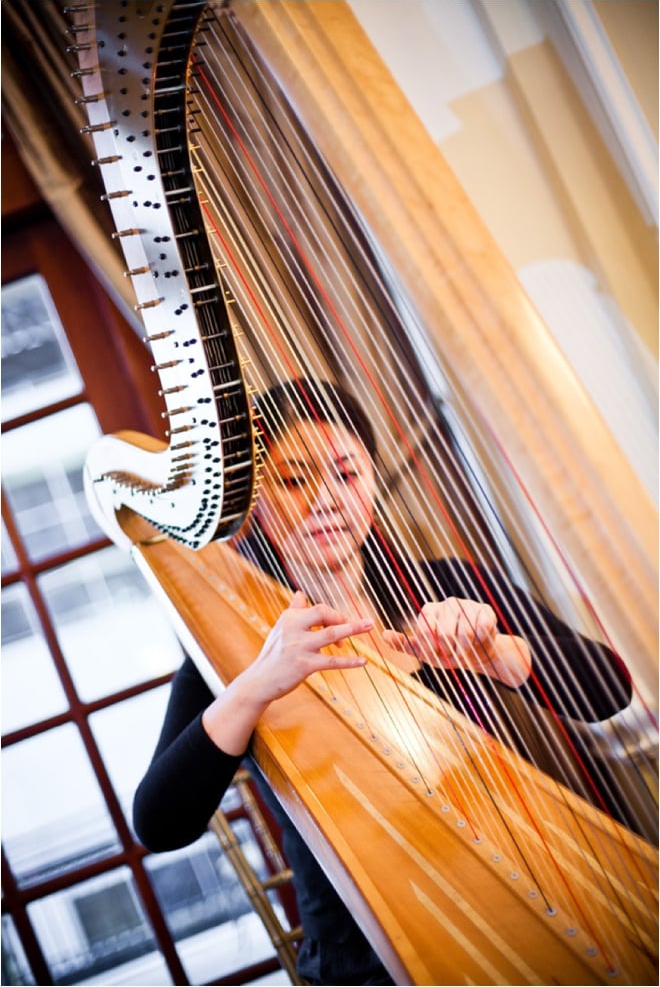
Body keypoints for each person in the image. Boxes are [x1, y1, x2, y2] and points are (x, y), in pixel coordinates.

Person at [133, 377, 632, 987]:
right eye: (294, 480)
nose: (328, 499)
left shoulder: (448, 582)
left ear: (371, 482)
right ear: (255, 500)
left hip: (535, 890)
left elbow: (612, 689)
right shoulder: (233, 645)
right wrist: (256, 684)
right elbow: (160, 823)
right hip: (360, 961)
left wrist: (499, 651)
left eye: (346, 474)